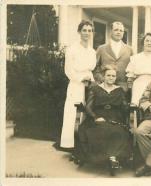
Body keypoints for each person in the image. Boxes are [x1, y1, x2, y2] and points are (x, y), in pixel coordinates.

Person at [77, 65, 130, 175]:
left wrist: (128, 106)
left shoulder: (120, 90)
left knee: (118, 130)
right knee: (98, 130)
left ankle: (112, 158)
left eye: (113, 76)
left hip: (114, 117)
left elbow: (124, 107)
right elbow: (88, 107)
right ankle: (108, 158)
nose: (111, 78)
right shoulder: (95, 89)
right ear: (104, 77)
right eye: (108, 75)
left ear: (116, 78)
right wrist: (96, 117)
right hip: (98, 115)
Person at [60, 20, 96, 149]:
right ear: (79, 32)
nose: (87, 33)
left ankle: (84, 144)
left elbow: (91, 69)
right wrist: (81, 78)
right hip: (76, 84)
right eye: (84, 30)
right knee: (73, 113)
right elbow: (68, 70)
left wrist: (90, 81)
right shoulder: (72, 49)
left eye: (89, 30)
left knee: (88, 112)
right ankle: (70, 144)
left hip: (89, 84)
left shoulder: (92, 51)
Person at [126, 32, 151, 105]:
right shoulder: (136, 58)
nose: (149, 43)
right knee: (137, 105)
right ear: (143, 42)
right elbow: (130, 75)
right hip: (139, 84)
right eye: (147, 41)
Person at [95, 21, 133, 93]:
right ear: (111, 31)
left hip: (123, 87)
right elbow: (95, 67)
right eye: (116, 30)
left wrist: (128, 83)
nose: (118, 32)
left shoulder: (129, 49)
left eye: (121, 30)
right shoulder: (101, 48)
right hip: (104, 87)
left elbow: (133, 68)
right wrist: (102, 79)